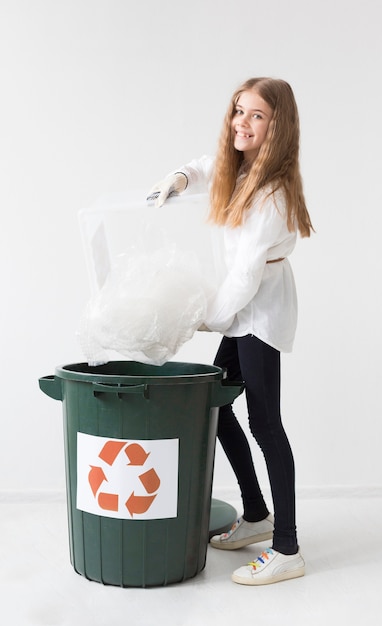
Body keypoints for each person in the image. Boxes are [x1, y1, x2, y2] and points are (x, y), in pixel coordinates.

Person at [148, 77, 314, 586]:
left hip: (259, 313)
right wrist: (177, 179)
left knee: (266, 424)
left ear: (277, 126)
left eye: (257, 115)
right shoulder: (243, 166)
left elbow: (244, 278)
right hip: (243, 309)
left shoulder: (272, 194)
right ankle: (257, 515)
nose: (242, 121)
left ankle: (286, 548)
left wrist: (206, 317)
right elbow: (206, 165)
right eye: (239, 110)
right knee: (217, 405)